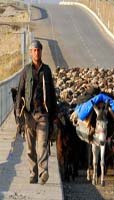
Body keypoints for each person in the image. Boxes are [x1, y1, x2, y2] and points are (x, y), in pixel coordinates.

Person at [16, 40, 57, 184]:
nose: (36, 52)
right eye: (34, 50)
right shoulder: (26, 71)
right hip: (28, 115)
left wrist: (54, 116)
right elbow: (20, 92)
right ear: (30, 52)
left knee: (42, 145)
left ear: (41, 51)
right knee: (30, 148)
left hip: (43, 114)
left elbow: (52, 93)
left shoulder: (46, 70)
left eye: (38, 50)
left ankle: (43, 172)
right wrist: (18, 116)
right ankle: (33, 174)